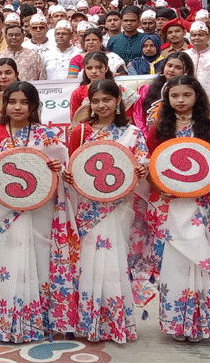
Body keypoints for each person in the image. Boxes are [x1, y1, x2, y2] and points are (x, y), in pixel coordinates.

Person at [0, 81, 69, 343]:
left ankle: (38, 322)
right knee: (6, 261)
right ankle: (9, 323)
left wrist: (55, 167)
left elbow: (63, 170)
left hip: (39, 208)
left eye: (24, 102)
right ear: (4, 105)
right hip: (3, 209)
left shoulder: (46, 135)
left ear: (34, 106)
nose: (17, 107)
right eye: (12, 102)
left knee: (39, 259)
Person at [61, 79, 149, 343]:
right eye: (96, 101)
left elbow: (142, 163)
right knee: (87, 261)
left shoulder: (133, 133)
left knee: (114, 260)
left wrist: (142, 170)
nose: (101, 105)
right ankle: (88, 322)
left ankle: (115, 322)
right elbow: (74, 166)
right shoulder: (79, 132)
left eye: (107, 100)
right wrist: (68, 175)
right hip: (88, 206)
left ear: (118, 101)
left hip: (119, 204)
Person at [145, 76, 210, 342]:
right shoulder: (159, 129)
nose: (180, 100)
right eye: (175, 96)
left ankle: (200, 321)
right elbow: (149, 165)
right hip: (169, 205)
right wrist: (158, 187)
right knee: (175, 261)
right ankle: (176, 322)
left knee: (200, 256)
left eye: (187, 95)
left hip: (200, 204)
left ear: (198, 97)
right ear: (166, 100)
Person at [137, 52, 195, 137]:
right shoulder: (146, 89)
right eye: (169, 66)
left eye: (178, 68)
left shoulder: (193, 92)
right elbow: (138, 116)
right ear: (164, 66)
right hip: (150, 135)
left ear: (186, 71)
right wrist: (146, 135)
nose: (172, 70)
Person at [184, 21, 210, 101]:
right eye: (194, 35)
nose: (197, 38)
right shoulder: (184, 55)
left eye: (201, 35)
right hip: (188, 99)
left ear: (208, 37)